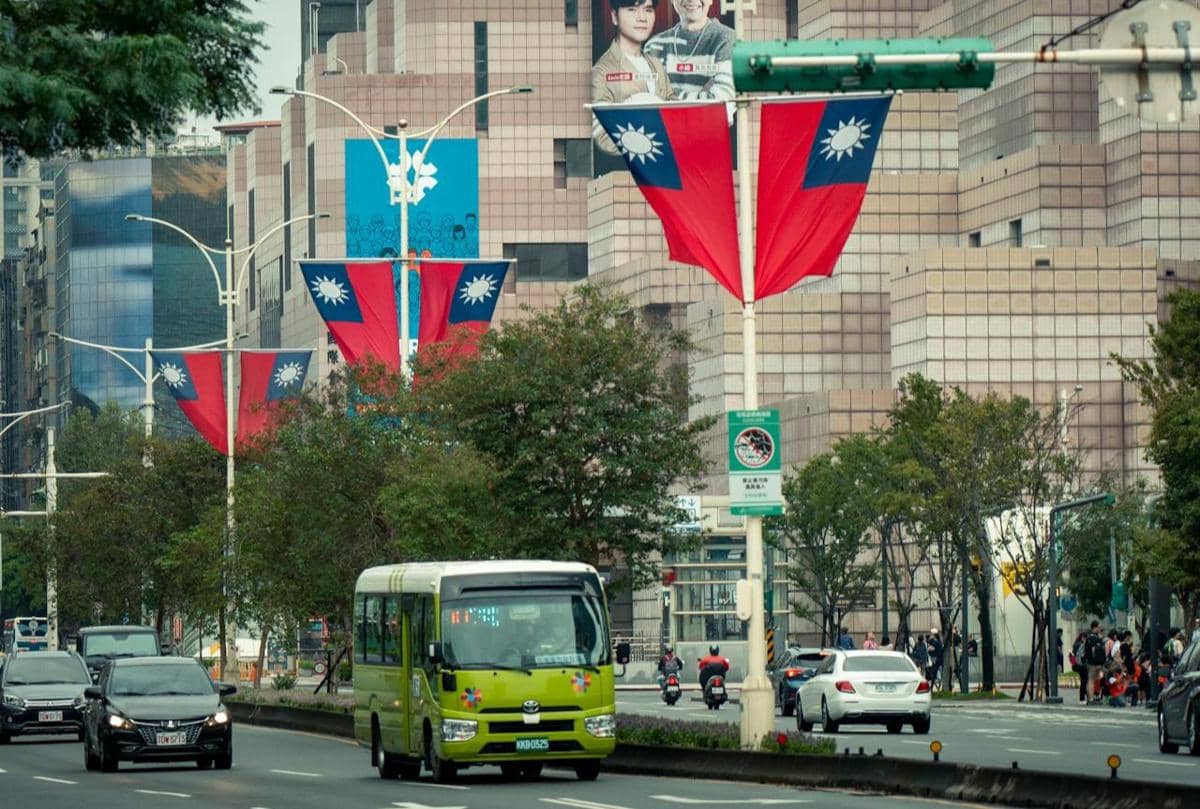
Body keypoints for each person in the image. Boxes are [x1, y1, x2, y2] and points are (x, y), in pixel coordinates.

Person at [591, 0, 674, 155]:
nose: (642, 18)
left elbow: (676, 114)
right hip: (627, 171)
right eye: (632, 9)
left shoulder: (656, 65)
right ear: (615, 16)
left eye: (648, 10)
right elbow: (602, 136)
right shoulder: (601, 72)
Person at [643, 0, 735, 104]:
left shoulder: (726, 40)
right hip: (661, 121)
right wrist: (703, 97)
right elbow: (646, 100)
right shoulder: (654, 46)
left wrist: (668, 94)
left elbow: (723, 104)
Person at [1083, 620, 1107, 703]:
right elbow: (1094, 651)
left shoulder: (1090, 638)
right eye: (1099, 627)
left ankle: (1091, 698)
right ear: (1095, 627)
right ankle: (1091, 698)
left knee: (1092, 680)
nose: (1100, 629)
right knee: (1091, 680)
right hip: (1095, 663)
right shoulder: (1094, 639)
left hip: (1091, 663)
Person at [1070, 631, 1089, 703]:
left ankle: (1085, 697)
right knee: (1084, 681)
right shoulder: (1081, 645)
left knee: (1084, 681)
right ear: (1083, 638)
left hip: (1076, 665)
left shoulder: (1075, 644)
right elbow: (1082, 655)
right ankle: (1083, 698)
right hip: (1081, 665)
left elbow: (1072, 655)